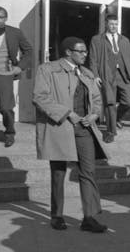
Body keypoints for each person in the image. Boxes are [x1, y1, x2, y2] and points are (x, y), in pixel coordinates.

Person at [33, 36, 108, 233]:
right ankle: (57, 215)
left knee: (88, 171)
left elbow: (97, 99)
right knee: (58, 173)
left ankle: (89, 217)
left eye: (85, 51)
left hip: (84, 129)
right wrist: (68, 114)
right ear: (68, 52)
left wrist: (94, 114)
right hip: (60, 128)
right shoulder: (47, 69)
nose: (85, 54)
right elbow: (40, 98)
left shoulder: (87, 73)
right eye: (81, 51)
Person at [88, 14, 130, 143]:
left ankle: (117, 117)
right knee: (110, 102)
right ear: (106, 24)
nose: (114, 26)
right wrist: (95, 75)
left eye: (116, 24)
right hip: (107, 74)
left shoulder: (125, 40)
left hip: (123, 75)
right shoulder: (97, 39)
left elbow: (129, 60)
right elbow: (93, 59)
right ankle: (111, 131)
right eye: (111, 24)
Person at [0, 5, 33, 147]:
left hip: (4, 74)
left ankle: (9, 132)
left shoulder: (15, 32)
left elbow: (29, 51)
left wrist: (19, 67)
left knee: (6, 107)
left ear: (5, 18)